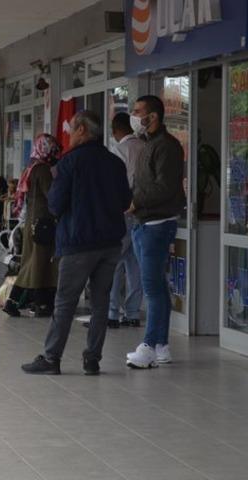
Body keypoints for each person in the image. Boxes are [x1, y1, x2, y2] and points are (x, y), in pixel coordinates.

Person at [21, 111, 132, 376]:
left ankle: (51, 358)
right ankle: (92, 359)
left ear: (82, 130)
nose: (69, 135)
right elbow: (126, 202)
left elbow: (56, 204)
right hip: (110, 243)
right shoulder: (114, 163)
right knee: (101, 302)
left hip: (78, 243)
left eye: (72, 129)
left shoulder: (69, 163)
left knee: (65, 302)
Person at [126, 95, 186, 369]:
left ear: (153, 116)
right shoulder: (148, 144)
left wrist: (137, 202)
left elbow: (165, 187)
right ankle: (161, 345)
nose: (134, 115)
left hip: (157, 225)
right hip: (143, 223)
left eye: (138, 111)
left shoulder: (168, 147)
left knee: (151, 288)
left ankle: (149, 344)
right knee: (158, 287)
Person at [2, 134, 62, 318]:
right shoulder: (43, 170)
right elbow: (52, 196)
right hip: (43, 224)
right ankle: (15, 301)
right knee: (36, 264)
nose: (55, 154)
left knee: (38, 264)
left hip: (32, 223)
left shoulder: (31, 166)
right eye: (53, 150)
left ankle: (40, 303)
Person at [106, 112, 146, 329]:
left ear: (115, 130)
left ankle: (112, 313)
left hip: (122, 211)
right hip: (142, 211)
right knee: (134, 265)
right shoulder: (144, 147)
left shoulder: (118, 150)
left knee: (113, 262)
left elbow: (115, 183)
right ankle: (132, 313)